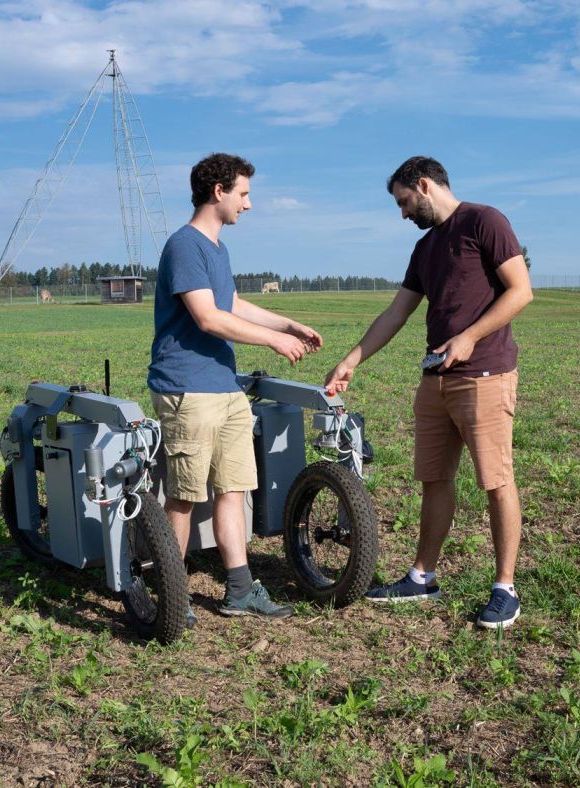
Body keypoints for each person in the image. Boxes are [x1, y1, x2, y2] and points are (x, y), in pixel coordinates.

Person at [324, 156, 533, 629]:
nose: (402, 214)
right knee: (434, 479)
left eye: (403, 202)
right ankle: (422, 576)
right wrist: (352, 358)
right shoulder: (425, 249)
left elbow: (520, 291)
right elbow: (396, 313)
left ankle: (505, 587)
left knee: (496, 480)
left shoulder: (484, 221)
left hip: (484, 375)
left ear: (424, 185)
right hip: (435, 380)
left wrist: (470, 337)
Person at [150, 152, 324, 624]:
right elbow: (207, 317)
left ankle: (241, 591)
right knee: (184, 495)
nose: (248, 204)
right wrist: (272, 339)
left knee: (232, 490)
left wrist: (288, 322)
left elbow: (231, 303)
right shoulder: (184, 246)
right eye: (243, 194)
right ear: (218, 191)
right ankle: (173, 593)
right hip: (188, 389)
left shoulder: (216, 249)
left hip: (223, 388)